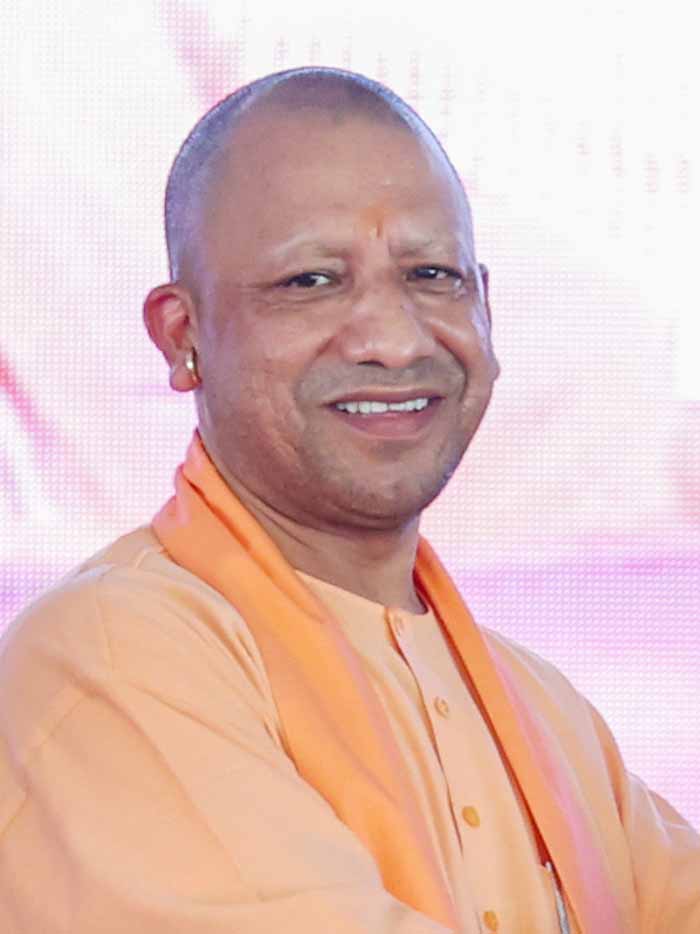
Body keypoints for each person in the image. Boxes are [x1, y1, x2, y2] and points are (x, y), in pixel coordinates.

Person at [0, 67, 697, 934]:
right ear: (184, 337)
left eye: (432, 275)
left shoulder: (544, 713)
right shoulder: (111, 655)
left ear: (486, 309)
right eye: (312, 281)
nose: (394, 341)